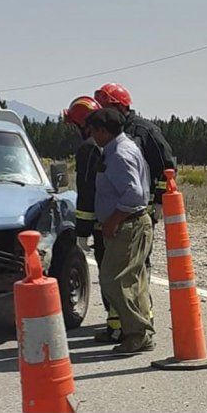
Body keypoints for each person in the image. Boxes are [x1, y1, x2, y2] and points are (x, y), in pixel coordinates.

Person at [94, 82, 176, 319]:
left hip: (138, 211)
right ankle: (120, 321)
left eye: (105, 106)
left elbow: (167, 167)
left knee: (136, 268)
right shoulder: (109, 134)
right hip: (117, 212)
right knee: (116, 270)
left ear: (119, 106)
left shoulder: (145, 131)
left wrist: (159, 202)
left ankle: (141, 319)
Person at [87, 107, 154, 354]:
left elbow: (133, 194)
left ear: (104, 131)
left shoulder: (119, 155)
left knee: (113, 280)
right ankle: (138, 334)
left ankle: (136, 333)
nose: (91, 135)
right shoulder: (119, 148)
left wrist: (113, 220)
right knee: (131, 281)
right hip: (132, 224)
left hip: (129, 226)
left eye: (93, 130)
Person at [63, 96, 121, 343]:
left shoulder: (88, 148)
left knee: (109, 274)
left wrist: (82, 229)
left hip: (102, 222)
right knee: (121, 272)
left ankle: (117, 326)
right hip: (116, 217)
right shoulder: (111, 144)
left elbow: (87, 191)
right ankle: (126, 323)